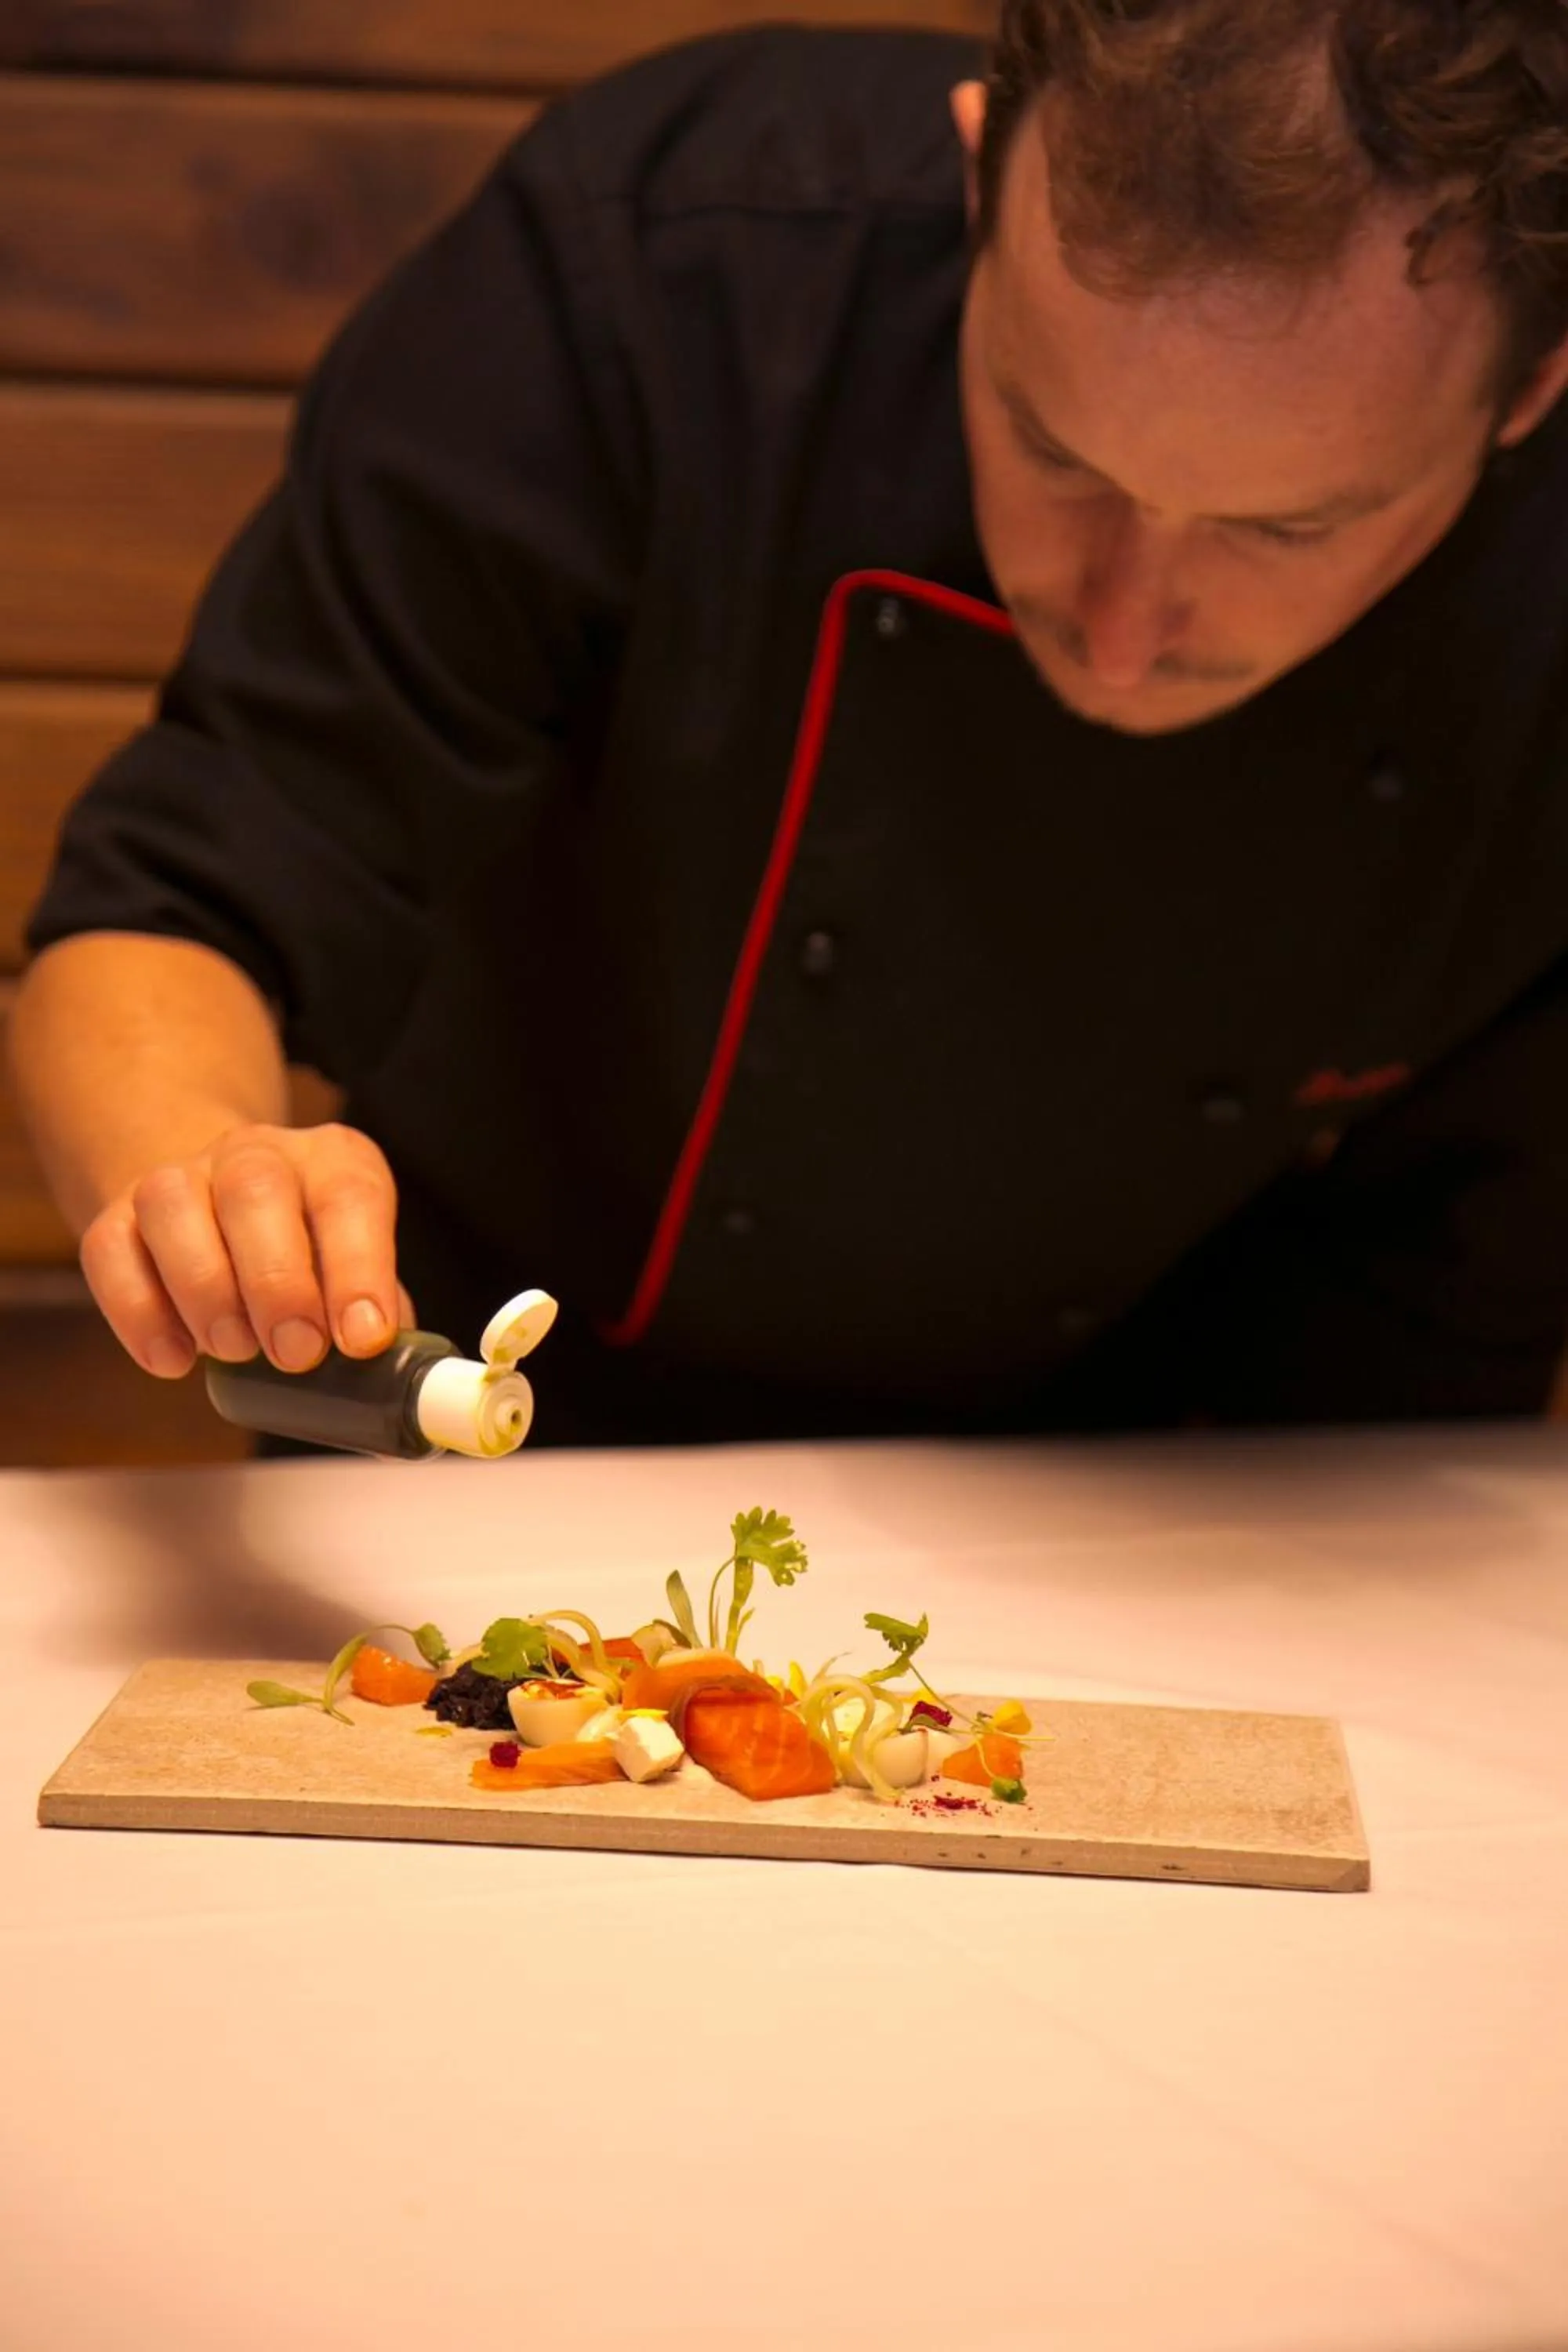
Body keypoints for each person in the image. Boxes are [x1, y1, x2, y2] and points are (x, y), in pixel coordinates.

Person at [13, 0, 1568, 1446]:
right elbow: (187, 896)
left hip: (1190, 1486)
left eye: (1282, 530)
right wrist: (205, 1180)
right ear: (978, 185)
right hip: (503, 1434)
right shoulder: (665, 265)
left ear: (1531, 392)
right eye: (1048, 441)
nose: (1115, 623)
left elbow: (1459, 1282)